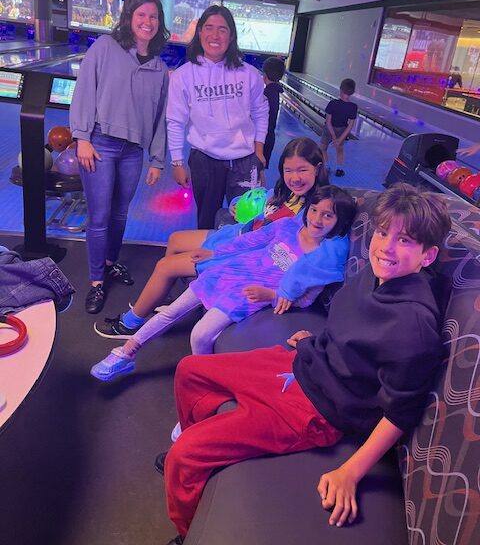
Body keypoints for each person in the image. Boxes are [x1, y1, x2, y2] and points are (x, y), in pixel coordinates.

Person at [159, 183, 451, 543]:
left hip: (318, 411)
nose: (386, 247)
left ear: (428, 255)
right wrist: (317, 341)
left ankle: (186, 531)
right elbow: (354, 330)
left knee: (184, 455)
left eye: (404, 240)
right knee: (190, 370)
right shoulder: (375, 274)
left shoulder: (414, 325)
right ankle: (198, 460)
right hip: (306, 363)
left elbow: (400, 413)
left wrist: (350, 472)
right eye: (382, 233)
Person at [90, 185, 356, 381]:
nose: (316, 219)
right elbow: (249, 241)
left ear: (339, 222)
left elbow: (305, 299)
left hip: (247, 294)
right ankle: (127, 352)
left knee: (200, 334)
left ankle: (200, 385)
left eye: (327, 216)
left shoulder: (321, 261)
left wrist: (271, 295)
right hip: (230, 271)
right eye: (314, 210)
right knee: (172, 311)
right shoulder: (287, 226)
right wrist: (214, 253)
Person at [93, 137, 328, 339]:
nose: (295, 178)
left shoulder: (315, 211)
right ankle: (167, 297)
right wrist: (237, 205)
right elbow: (257, 201)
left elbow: (289, 248)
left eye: (302, 170)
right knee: (175, 240)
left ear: (317, 169)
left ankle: (130, 324)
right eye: (289, 170)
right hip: (235, 236)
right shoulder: (283, 193)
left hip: (246, 254)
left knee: (165, 266)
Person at [70, 0, 170, 315]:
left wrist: (157, 159)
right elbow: (85, 90)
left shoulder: (159, 68)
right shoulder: (105, 47)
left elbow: (161, 117)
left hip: (132, 151)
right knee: (100, 216)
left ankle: (110, 263)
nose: (148, 21)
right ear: (129, 17)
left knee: (120, 214)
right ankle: (97, 282)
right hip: (100, 143)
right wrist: (82, 137)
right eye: (141, 15)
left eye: (153, 16)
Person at [166, 4, 269, 230]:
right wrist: (177, 162)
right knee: (206, 221)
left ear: (231, 36)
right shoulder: (183, 75)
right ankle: (206, 253)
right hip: (204, 159)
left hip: (244, 160)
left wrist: (259, 149)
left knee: (246, 223)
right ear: (199, 32)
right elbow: (175, 120)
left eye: (222, 29)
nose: (215, 35)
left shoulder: (249, 74)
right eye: (209, 28)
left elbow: (261, 112)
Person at [320, 78, 357, 178]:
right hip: (342, 130)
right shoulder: (353, 107)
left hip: (329, 129)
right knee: (339, 150)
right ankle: (339, 169)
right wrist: (340, 139)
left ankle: (327, 167)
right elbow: (350, 126)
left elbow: (328, 121)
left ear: (340, 89)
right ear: (352, 92)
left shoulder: (332, 103)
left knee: (323, 149)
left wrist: (333, 136)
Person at [262, 56, 286, 169]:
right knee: (260, 170)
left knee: (255, 170)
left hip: (262, 138)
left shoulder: (267, 93)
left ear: (265, 74)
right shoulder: (275, 91)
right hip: (269, 137)